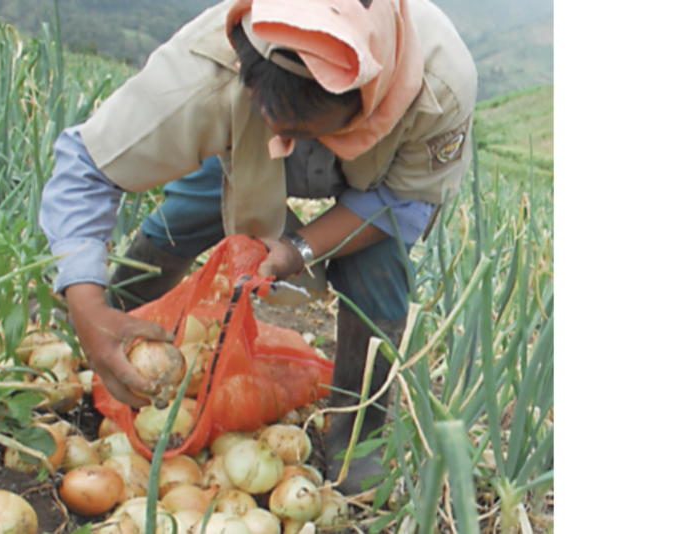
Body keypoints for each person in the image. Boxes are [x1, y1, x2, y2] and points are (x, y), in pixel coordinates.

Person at [40, 0, 476, 495]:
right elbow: (88, 165)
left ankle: (358, 436)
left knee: (377, 271)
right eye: (273, 120)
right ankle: (109, 350)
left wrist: (297, 248)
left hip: (377, 181)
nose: (282, 139)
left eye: (300, 130)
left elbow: (403, 202)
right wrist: (89, 310)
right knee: (182, 220)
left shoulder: (437, 84)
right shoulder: (207, 67)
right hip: (239, 143)